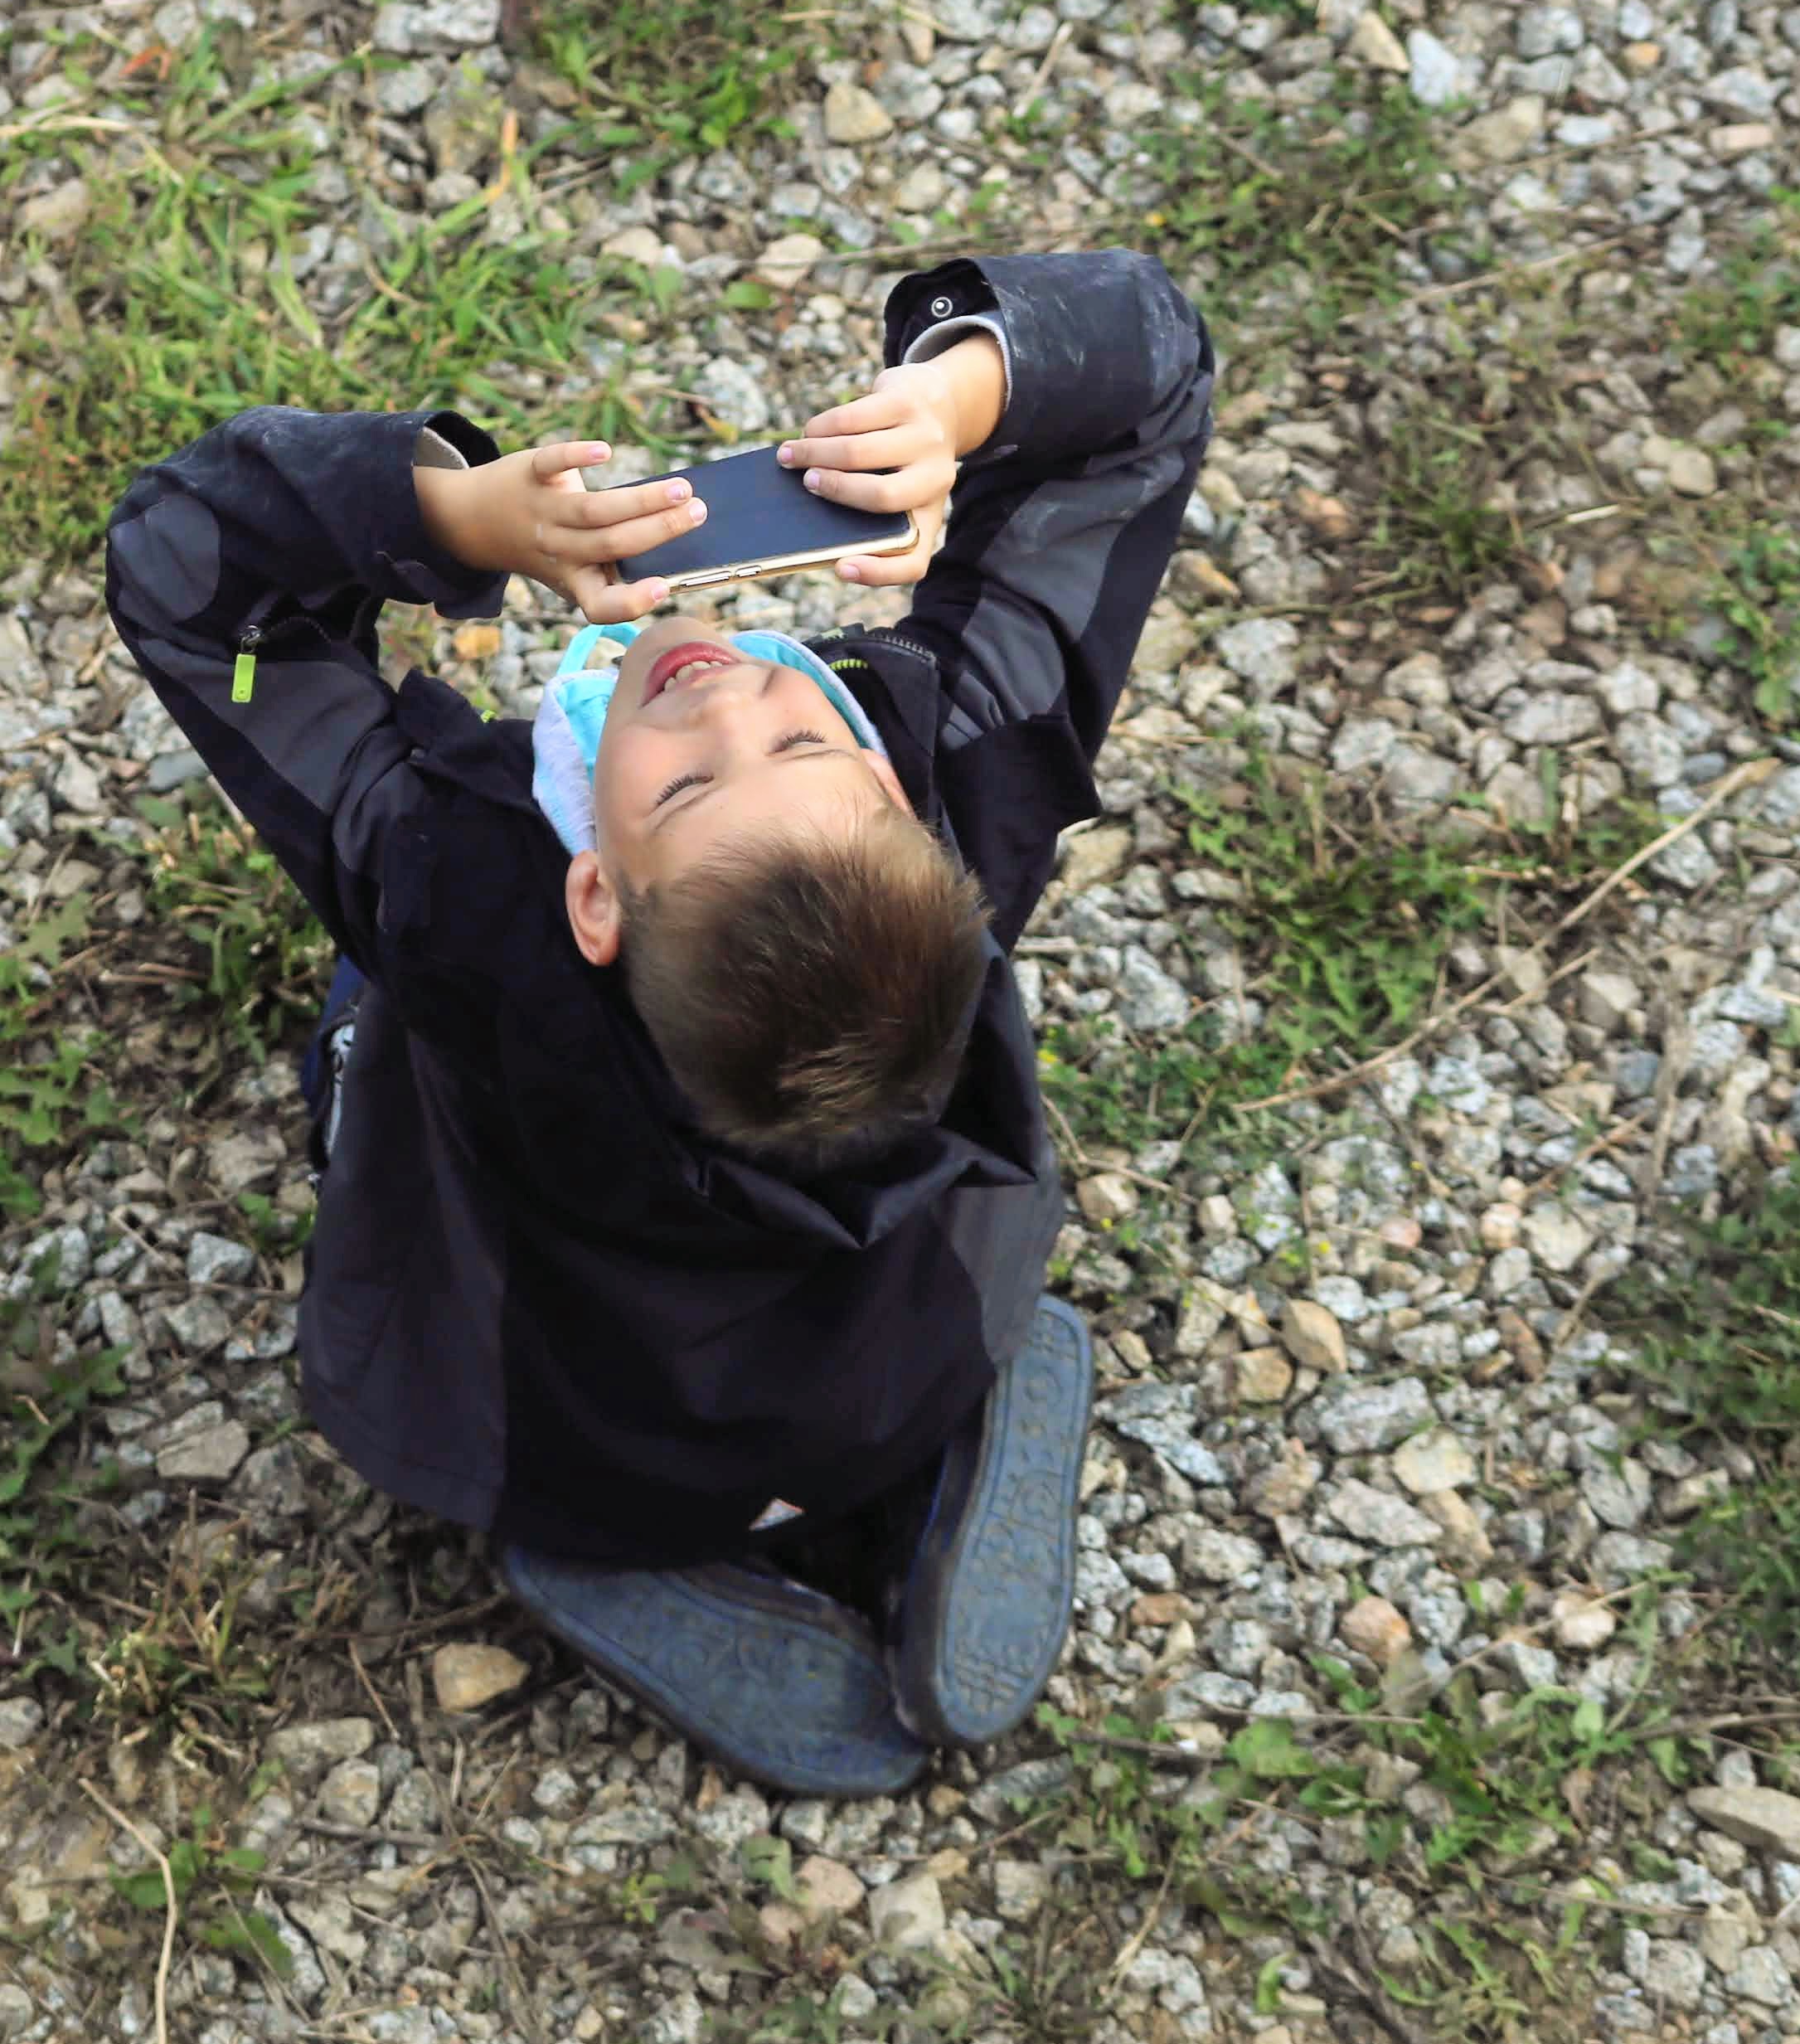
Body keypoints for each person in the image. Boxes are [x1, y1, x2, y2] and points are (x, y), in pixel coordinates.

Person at [105, 251, 1215, 1793]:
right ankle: (928, 1452)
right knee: (915, 1333)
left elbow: (179, 564)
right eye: (791, 744)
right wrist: (964, 396)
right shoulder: (967, 772)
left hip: (581, 1436)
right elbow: (1149, 390)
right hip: (909, 1351)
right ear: (905, 811)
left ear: (591, 901)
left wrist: (448, 516)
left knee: (359, 1039)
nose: (722, 691)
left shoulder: (448, 889)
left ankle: (613, 1548)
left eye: (692, 782)